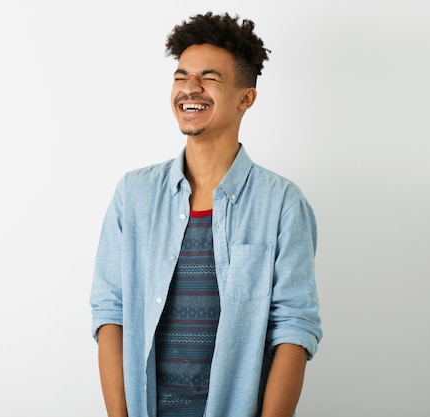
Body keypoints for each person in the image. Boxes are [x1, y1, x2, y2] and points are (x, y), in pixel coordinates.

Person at [90, 12, 322, 417]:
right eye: (181, 77)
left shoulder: (282, 203)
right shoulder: (134, 194)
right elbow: (111, 312)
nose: (189, 89)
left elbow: (293, 329)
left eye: (209, 78)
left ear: (245, 97)